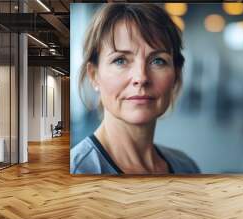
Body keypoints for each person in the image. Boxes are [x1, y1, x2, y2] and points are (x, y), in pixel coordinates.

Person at [70, 3, 199, 174]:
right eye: (120, 60)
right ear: (94, 75)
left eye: (157, 61)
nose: (141, 78)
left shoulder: (187, 167)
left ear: (176, 74)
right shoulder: (77, 172)